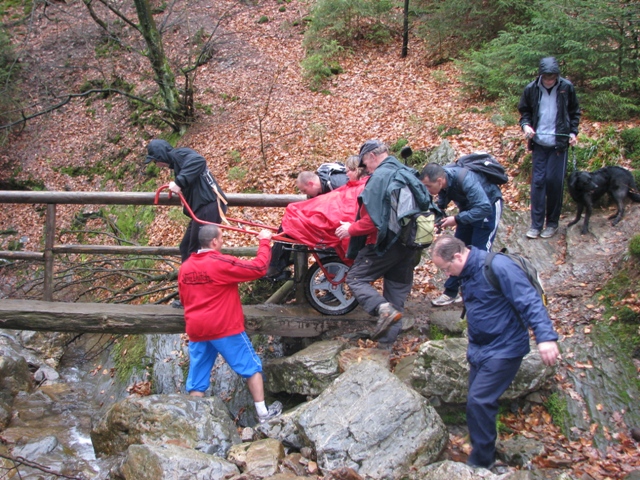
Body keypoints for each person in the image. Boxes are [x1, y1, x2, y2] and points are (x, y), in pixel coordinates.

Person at [430, 235, 559, 470]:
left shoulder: (498, 266)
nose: (446, 274)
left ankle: (482, 462)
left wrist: (546, 337)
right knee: (476, 401)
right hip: (480, 347)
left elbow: (529, 301)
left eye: (446, 268)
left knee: (479, 401)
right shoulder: (467, 272)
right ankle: (484, 451)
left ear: (458, 255)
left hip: (506, 347)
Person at [178, 224, 282, 424]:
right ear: (215, 242)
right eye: (222, 238)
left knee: (197, 377)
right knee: (250, 367)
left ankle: (194, 422)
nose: (223, 241)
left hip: (197, 329)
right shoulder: (220, 262)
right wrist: (264, 242)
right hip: (224, 327)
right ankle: (263, 414)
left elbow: (184, 300)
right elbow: (259, 267)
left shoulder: (186, 267)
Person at [336, 140, 436, 348]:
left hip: (385, 244)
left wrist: (350, 229)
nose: (364, 169)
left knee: (355, 278)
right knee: (396, 292)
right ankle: (385, 347)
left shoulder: (380, 177)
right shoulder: (406, 172)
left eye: (364, 162)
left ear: (372, 156)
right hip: (410, 243)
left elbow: (372, 220)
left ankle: (382, 309)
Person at [420, 162, 503, 306]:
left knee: (479, 253)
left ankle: (479, 296)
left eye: (428, 186)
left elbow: (484, 207)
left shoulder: (466, 180)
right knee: (457, 249)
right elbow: (443, 198)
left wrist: (457, 219)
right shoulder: (444, 180)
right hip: (467, 210)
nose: (427, 190)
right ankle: (450, 292)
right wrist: (439, 213)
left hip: (488, 208)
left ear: (439, 181)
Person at [266, 156, 360, 280]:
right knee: (291, 226)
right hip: (332, 222)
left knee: (291, 222)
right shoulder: (324, 185)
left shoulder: (337, 183)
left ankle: (275, 265)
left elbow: (348, 207)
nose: (306, 194)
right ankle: (276, 263)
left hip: (341, 224)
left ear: (311, 183)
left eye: (305, 190)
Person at [518, 56, 581, 239]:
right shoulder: (531, 89)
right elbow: (525, 112)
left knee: (554, 182)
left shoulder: (566, 87)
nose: (549, 80)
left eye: (552, 77)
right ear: (540, 75)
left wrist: (573, 132)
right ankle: (536, 225)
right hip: (539, 143)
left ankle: (552, 223)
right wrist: (526, 126)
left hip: (559, 144)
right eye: (546, 77)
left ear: (557, 76)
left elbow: (574, 112)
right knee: (538, 182)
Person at [145, 139, 228, 263]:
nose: (157, 164)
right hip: (203, 208)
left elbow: (199, 161)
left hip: (208, 205)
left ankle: (200, 280)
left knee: (196, 251)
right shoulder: (177, 161)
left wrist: (179, 182)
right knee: (185, 247)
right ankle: (188, 279)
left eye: (155, 160)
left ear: (160, 155)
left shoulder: (179, 154)